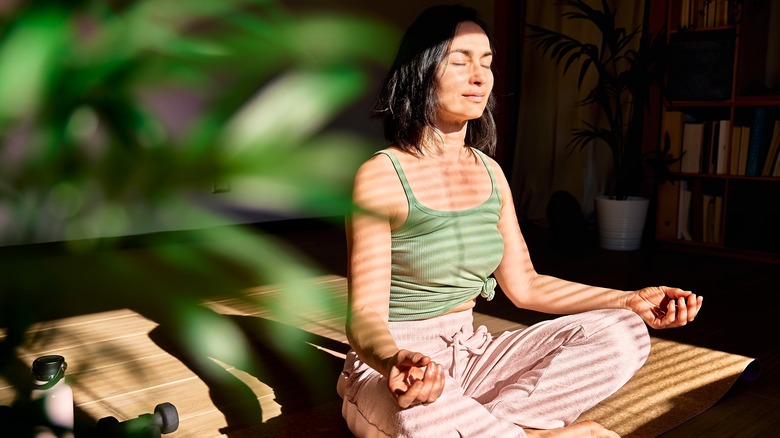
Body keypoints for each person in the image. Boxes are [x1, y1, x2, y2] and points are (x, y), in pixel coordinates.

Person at [336, 5, 703, 438]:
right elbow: (363, 314)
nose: (480, 76)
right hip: (400, 367)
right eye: (459, 61)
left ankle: (501, 429)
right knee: (417, 416)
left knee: (625, 332)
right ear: (420, 72)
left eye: (486, 62)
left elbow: (526, 286)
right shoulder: (381, 177)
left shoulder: (490, 173)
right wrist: (394, 361)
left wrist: (627, 300)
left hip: (473, 354)